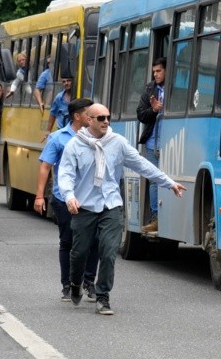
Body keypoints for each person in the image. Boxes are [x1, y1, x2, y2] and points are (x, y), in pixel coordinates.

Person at [58, 103, 186, 315]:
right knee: (79, 252)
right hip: (84, 206)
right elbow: (65, 174)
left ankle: (103, 297)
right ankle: (74, 283)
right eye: (100, 118)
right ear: (88, 120)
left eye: (108, 117)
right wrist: (70, 197)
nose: (106, 121)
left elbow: (142, 164)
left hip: (111, 205)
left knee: (108, 253)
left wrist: (169, 183)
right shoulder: (75, 145)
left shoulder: (117, 143)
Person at [35, 98, 99, 302]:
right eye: (89, 114)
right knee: (68, 241)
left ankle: (89, 281)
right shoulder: (58, 138)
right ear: (77, 116)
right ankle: (67, 284)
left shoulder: (98, 137)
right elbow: (45, 166)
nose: (93, 117)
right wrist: (39, 196)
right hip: (64, 199)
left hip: (89, 199)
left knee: (94, 241)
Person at [136, 57, 167, 233]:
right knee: (154, 180)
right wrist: (154, 110)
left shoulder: (178, 87)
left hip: (171, 142)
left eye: (159, 71)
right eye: (154, 71)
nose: (155, 74)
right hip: (151, 143)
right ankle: (156, 218)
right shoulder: (150, 89)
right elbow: (141, 114)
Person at [42, 77, 72, 141]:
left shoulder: (83, 95)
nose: (66, 83)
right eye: (64, 82)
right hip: (62, 133)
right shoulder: (59, 97)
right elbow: (53, 114)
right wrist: (48, 131)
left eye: (68, 81)